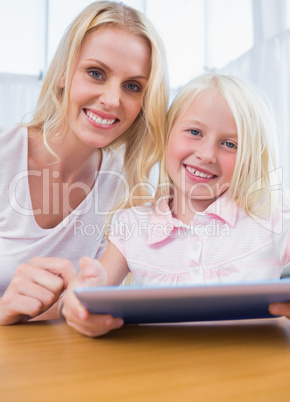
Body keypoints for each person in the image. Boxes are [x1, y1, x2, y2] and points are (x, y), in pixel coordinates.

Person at [61, 72, 290, 337]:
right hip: (162, 373)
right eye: (194, 132)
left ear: (250, 158)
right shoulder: (134, 225)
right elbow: (86, 297)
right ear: (166, 136)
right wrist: (80, 305)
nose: (206, 155)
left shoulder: (271, 214)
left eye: (230, 144)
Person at [0, 1, 168, 325]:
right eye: (96, 73)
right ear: (63, 73)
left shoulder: (125, 189)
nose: (111, 99)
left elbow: (77, 308)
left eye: (132, 86)